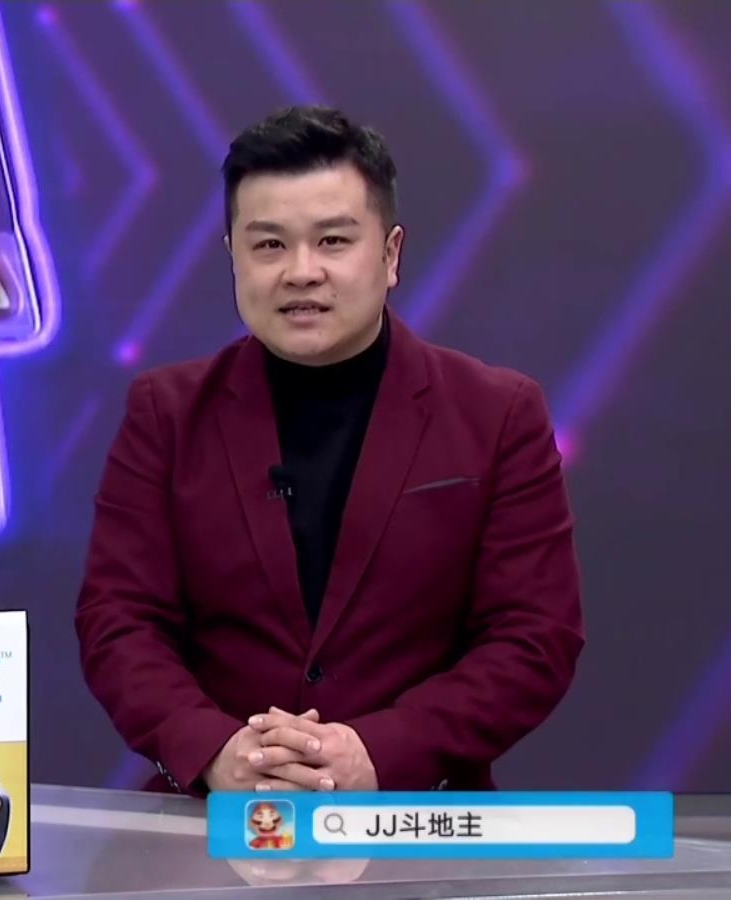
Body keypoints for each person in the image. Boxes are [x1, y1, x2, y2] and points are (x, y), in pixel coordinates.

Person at [75, 106, 584, 796]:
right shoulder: (166, 412)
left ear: (391, 254)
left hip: (417, 820)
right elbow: (118, 621)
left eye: (333, 241)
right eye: (269, 245)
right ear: (232, 256)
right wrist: (217, 751)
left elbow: (534, 636)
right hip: (213, 819)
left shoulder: (497, 413)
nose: (301, 271)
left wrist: (380, 751)